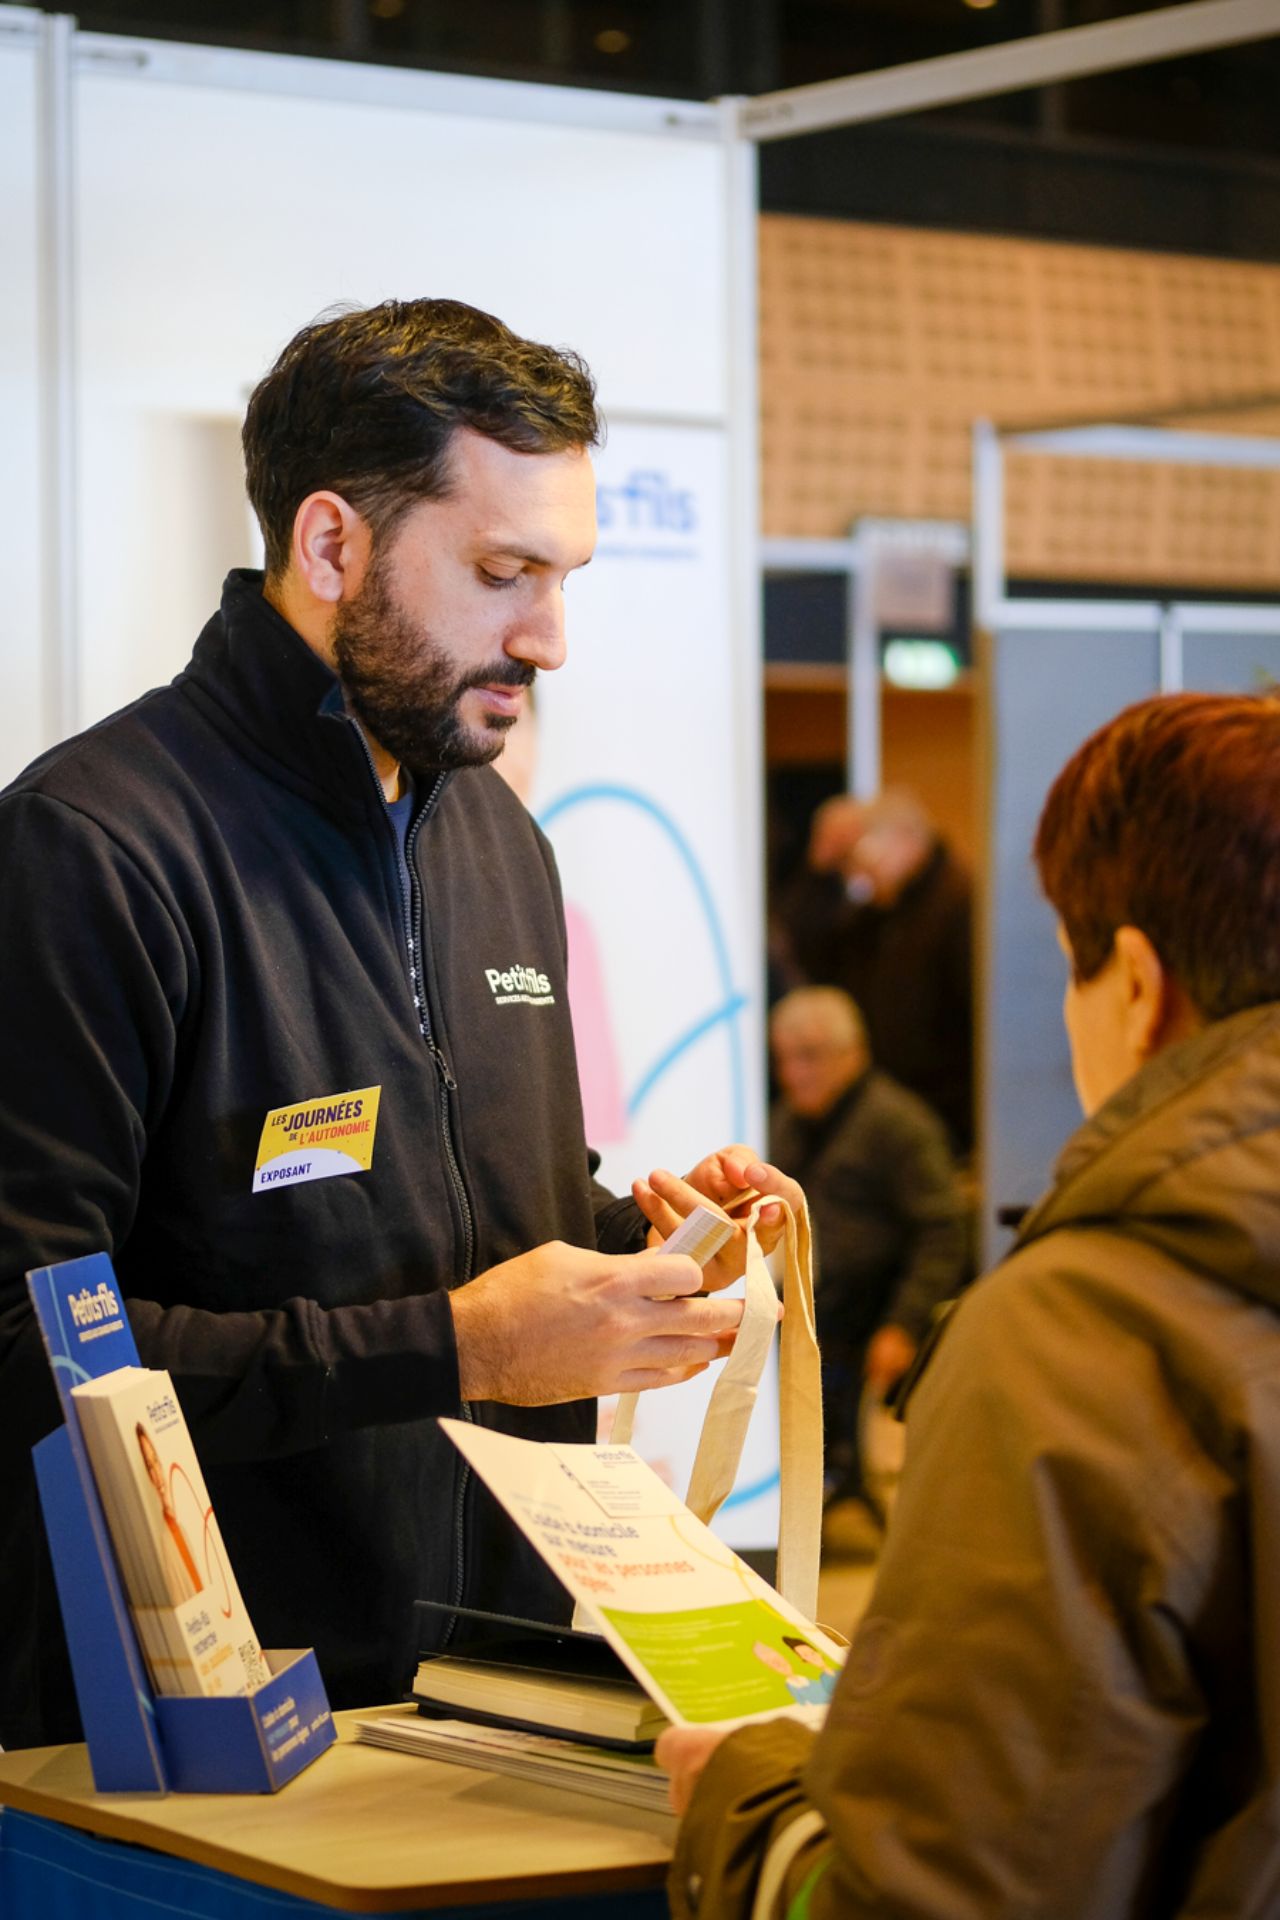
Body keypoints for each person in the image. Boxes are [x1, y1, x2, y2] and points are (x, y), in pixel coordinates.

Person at [0, 296, 799, 1750]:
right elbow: (21, 1345)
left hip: (498, 1713)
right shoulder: (91, 849)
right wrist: (460, 1348)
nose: (549, 637)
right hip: (198, 1761)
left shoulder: (497, 841)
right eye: (504, 574)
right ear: (329, 546)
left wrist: (641, 1249)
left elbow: (453, 1228)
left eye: (565, 578)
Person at [658, 691, 1280, 1919]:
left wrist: (748, 1799)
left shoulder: (1087, 1340)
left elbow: (943, 1890)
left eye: (1068, 966)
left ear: (1137, 987)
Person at [769, 986, 966, 1508]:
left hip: (865, 1317)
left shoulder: (900, 1126)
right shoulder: (787, 1126)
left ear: (851, 1053)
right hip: (802, 1308)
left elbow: (942, 1233)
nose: (793, 1074)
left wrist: (903, 1323)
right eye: (784, 1059)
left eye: (808, 1057)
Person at [781, 787, 974, 1154]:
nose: (861, 870)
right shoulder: (880, 910)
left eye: (867, 853)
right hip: (887, 1099)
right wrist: (821, 870)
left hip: (944, 1107)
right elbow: (812, 953)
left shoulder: (958, 904)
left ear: (906, 838)